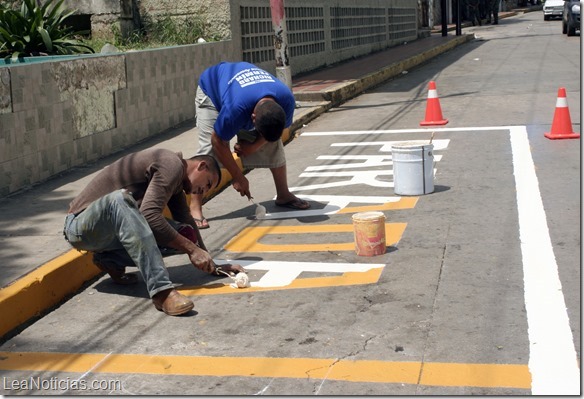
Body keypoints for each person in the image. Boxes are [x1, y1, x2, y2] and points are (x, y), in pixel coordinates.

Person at [63, 148, 244, 316]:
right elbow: (149, 215)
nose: (202, 191)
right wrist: (192, 249)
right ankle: (162, 292)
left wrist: (210, 262)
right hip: (80, 225)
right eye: (207, 183)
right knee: (119, 200)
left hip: (106, 233)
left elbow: (186, 219)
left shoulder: (176, 181)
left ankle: (110, 259)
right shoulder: (171, 164)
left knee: (185, 232)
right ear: (201, 166)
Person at [191, 61, 311, 229]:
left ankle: (283, 194)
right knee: (208, 153)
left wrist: (253, 146)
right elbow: (217, 140)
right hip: (211, 90)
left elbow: (275, 133)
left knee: (273, 142)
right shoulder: (236, 108)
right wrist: (238, 176)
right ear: (252, 118)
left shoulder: (286, 100)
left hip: (242, 89)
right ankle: (194, 207)